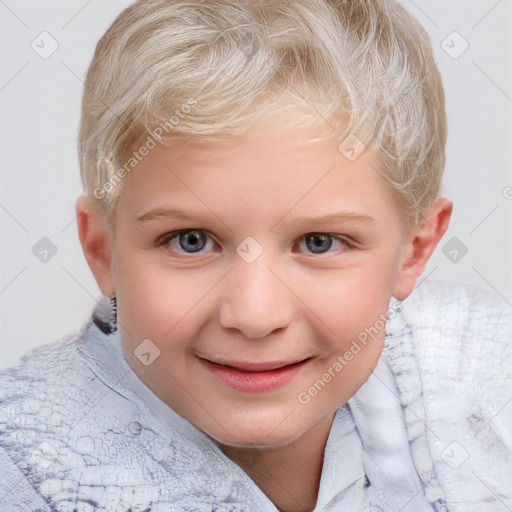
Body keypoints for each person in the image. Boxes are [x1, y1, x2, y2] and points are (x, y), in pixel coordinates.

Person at [1, 1, 510, 511]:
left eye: (319, 242)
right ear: (101, 249)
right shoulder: (23, 475)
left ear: (414, 251)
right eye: (191, 240)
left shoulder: (489, 391)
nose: (254, 315)